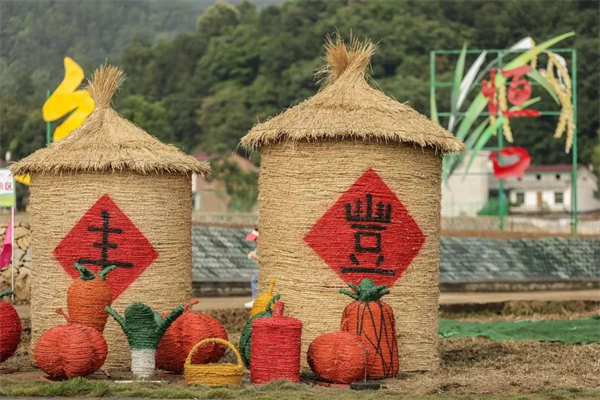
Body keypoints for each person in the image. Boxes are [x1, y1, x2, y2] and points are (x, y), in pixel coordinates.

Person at [244, 228, 259, 309]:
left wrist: (255, 257)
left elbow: (267, 260)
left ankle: (255, 299)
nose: (254, 241)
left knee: (254, 279)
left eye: (255, 239)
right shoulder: (258, 247)